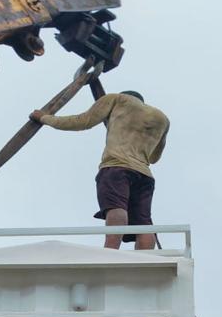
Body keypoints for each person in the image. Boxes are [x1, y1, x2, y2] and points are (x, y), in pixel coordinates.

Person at [30, 90, 169, 250]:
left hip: (116, 166)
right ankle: (145, 259)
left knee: (116, 207)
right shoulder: (162, 119)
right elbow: (154, 158)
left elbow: (82, 121)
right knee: (143, 221)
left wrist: (44, 118)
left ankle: (110, 251)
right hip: (144, 175)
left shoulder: (118, 99)